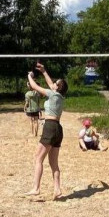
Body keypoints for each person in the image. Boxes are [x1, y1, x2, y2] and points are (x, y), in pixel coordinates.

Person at [25, 63, 68, 199]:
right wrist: (43, 71)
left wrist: (29, 76)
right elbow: (50, 84)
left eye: (56, 83)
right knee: (53, 163)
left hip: (50, 127)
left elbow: (34, 86)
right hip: (58, 129)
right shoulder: (60, 96)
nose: (53, 83)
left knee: (38, 158)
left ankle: (36, 188)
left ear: (57, 87)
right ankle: (57, 190)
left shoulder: (51, 93)